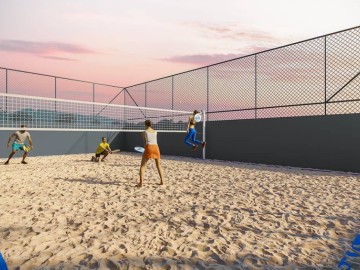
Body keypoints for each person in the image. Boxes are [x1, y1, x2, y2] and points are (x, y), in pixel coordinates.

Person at [137, 120, 163, 187]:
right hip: (156, 147)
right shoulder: (156, 132)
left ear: (145, 124)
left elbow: (144, 143)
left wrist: (145, 149)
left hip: (149, 147)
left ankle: (141, 183)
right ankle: (162, 181)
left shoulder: (144, 132)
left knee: (143, 166)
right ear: (151, 124)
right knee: (158, 165)